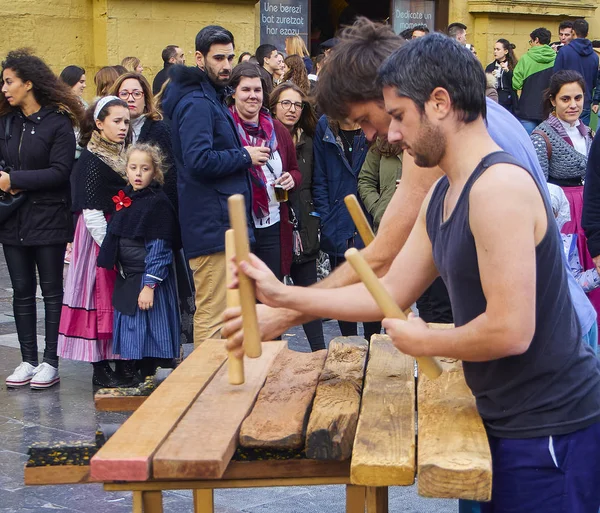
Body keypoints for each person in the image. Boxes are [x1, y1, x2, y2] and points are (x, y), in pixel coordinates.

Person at [230, 32, 600, 513]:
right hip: (498, 418)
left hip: (549, 430)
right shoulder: (442, 193)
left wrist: (427, 341)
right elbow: (387, 292)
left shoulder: (498, 189)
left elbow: (511, 330)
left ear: (440, 103)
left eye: (399, 116)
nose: (393, 135)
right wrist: (285, 297)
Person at [161, 25, 262, 344]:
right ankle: (205, 386)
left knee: (226, 310)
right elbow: (198, 159)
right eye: (219, 58)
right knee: (213, 311)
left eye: (230, 57)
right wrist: (244, 156)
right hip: (210, 223)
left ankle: (220, 382)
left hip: (219, 221)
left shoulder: (207, 97)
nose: (227, 65)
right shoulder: (197, 103)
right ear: (199, 58)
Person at [0, 49, 82, 389]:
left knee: (51, 292)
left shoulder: (57, 122)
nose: (4, 88)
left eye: (9, 82)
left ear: (29, 83)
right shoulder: (6, 121)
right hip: (12, 219)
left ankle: (51, 360)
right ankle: (27, 359)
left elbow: (61, 172)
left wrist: (15, 180)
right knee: (20, 291)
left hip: (48, 217)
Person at [58, 96, 131, 387]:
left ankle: (125, 359)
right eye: (116, 121)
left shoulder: (126, 155)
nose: (123, 127)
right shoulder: (90, 160)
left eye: (126, 121)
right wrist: (109, 246)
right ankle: (99, 367)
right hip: (98, 237)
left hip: (123, 231)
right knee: (96, 296)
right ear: (99, 124)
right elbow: (91, 211)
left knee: (122, 300)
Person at [98, 143, 180, 379]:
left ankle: (149, 371)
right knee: (133, 328)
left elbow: (160, 248)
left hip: (148, 279)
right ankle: (135, 370)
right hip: (130, 276)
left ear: (155, 172)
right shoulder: (129, 198)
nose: (138, 173)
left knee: (151, 329)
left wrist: (149, 286)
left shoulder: (158, 203)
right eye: (133, 167)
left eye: (145, 169)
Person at [531, 71, 597, 323]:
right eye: (565, 99)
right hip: (564, 213)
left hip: (589, 208)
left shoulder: (588, 132)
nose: (573, 105)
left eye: (578, 98)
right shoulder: (541, 136)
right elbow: (539, 187)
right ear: (553, 100)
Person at [228, 63, 301, 281]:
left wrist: (291, 179)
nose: (253, 96)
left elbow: (295, 170)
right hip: (240, 225)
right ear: (233, 93)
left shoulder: (277, 129)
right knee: (243, 295)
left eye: (257, 90)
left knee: (271, 293)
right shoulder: (225, 127)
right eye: (246, 90)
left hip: (274, 224)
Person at [313, 114, 382, 340]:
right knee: (344, 292)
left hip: (369, 214)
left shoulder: (372, 120)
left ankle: (372, 345)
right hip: (338, 217)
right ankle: (350, 348)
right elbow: (320, 178)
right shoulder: (326, 124)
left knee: (373, 289)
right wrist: (326, 217)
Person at [269, 82, 324, 351]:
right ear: (274, 106)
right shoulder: (263, 137)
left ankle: (320, 354)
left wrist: (315, 217)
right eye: (286, 104)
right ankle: (273, 358)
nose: (292, 110)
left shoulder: (309, 141)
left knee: (308, 295)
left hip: (304, 224)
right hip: (274, 225)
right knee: (274, 296)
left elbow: (315, 183)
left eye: (297, 105)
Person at [549, 183, 599, 355]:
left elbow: (577, 281)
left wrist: (597, 274)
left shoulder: (567, 243)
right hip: (556, 325)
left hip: (579, 319)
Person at [553, 19, 599, 125]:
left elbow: (555, 78)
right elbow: (594, 81)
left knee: (563, 137)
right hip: (584, 101)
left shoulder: (564, 52)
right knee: (582, 137)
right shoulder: (594, 56)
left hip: (565, 101)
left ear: (573, 32)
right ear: (587, 33)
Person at [512, 27, 556, 134]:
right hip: (548, 109)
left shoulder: (525, 58)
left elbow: (516, 84)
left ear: (536, 40)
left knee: (528, 145)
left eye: (530, 41)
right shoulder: (556, 58)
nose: (530, 44)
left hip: (527, 108)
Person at [358, 139, 402, 233]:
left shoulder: (428, 146)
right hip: (386, 228)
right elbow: (365, 180)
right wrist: (378, 209)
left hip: (421, 227)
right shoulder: (382, 141)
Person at [485, 39, 518, 114]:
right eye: (494, 49)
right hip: (495, 100)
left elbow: (516, 83)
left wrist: (508, 72)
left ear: (506, 51)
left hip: (509, 102)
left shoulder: (514, 66)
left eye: (498, 49)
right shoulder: (490, 67)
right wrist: (490, 78)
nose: (495, 52)